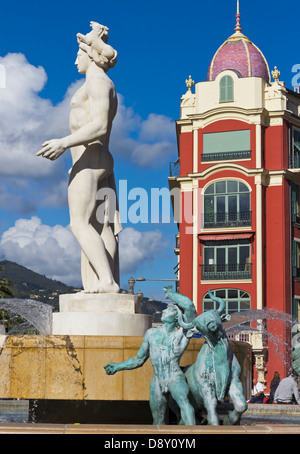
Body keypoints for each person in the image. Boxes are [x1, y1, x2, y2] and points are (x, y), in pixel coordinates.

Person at [37, 23, 121, 293]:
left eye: (78, 54)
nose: (75, 60)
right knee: (102, 224)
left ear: (90, 54)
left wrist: (63, 142)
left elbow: (100, 126)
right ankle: (108, 281)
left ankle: (106, 281)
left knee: (78, 223)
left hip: (89, 157)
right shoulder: (105, 84)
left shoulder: (97, 82)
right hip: (101, 158)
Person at [104, 288, 197, 425]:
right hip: (157, 379)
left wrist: (171, 295)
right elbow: (139, 359)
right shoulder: (151, 334)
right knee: (158, 419)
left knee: (185, 405)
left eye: (169, 310)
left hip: (174, 376)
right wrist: (118, 366)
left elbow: (189, 306)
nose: (164, 311)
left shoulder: (182, 334)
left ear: (176, 317)